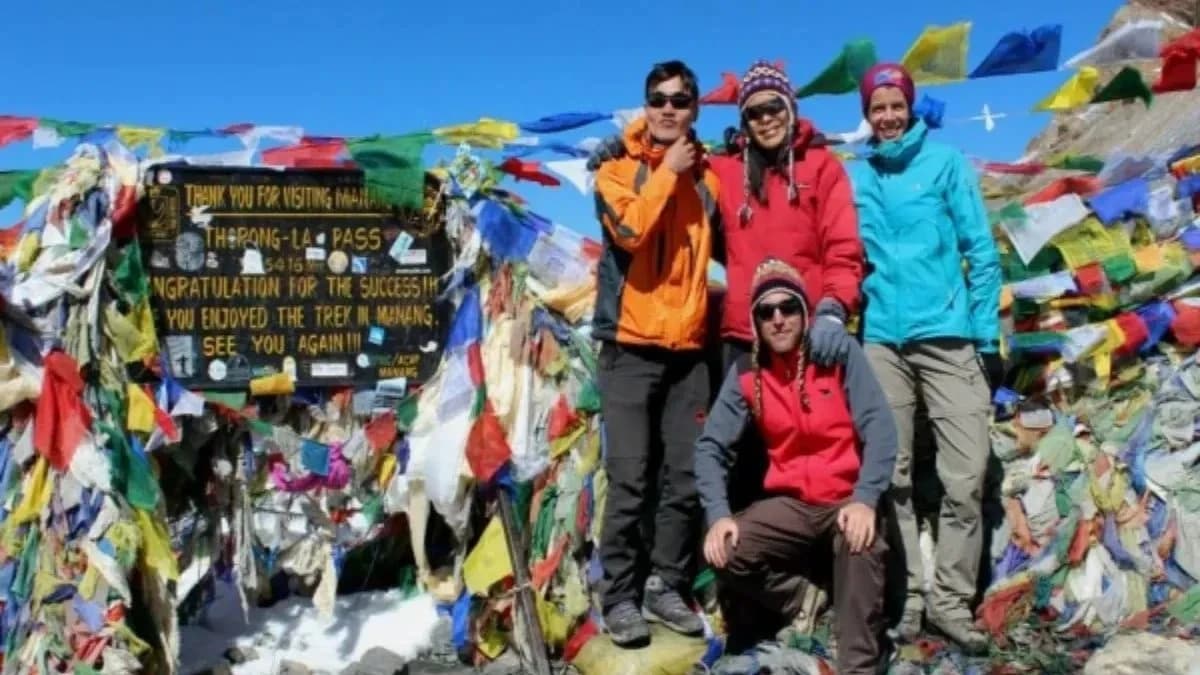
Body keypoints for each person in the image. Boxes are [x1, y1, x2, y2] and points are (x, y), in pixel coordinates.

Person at [849, 62, 1002, 651]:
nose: (887, 116)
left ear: (910, 107)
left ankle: (952, 601)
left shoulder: (946, 164)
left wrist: (986, 339)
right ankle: (909, 596)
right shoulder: (857, 179)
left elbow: (980, 252)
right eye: (877, 107)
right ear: (866, 114)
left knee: (967, 474)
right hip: (881, 342)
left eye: (896, 105)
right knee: (891, 475)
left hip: (948, 335)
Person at [589, 60, 864, 372]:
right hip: (743, 336)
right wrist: (625, 145)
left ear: (791, 108)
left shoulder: (823, 167)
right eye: (754, 112)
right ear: (744, 120)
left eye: (774, 107)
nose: (766, 119)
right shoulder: (724, 170)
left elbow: (843, 249)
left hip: (808, 329)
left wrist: (833, 308)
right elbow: (672, 156)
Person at [695, 257, 897, 675]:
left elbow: (880, 427)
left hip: (846, 496)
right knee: (724, 550)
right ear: (755, 323)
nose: (779, 319)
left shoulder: (838, 354)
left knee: (861, 541)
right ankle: (803, 600)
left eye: (788, 307)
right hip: (793, 504)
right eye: (766, 311)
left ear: (805, 313)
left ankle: (858, 664)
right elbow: (710, 446)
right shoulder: (747, 373)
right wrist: (717, 514)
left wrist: (865, 499)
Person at [591, 59, 720, 647]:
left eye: (680, 99)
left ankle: (666, 585)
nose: (669, 108)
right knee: (629, 479)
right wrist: (668, 170)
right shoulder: (613, 169)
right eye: (658, 98)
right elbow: (630, 231)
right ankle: (618, 594)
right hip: (629, 347)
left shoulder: (710, 178)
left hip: (688, 349)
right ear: (645, 105)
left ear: (695, 109)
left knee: (685, 478)